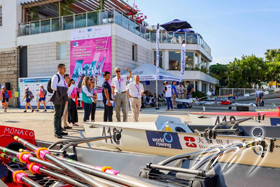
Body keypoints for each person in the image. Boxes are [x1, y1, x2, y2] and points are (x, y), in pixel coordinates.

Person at [50, 64, 68, 139]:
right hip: (58, 97)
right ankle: (56, 132)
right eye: (63, 68)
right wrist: (62, 90)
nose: (65, 69)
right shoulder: (56, 76)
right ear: (59, 69)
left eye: (65, 68)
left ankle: (60, 130)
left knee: (60, 115)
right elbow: (53, 87)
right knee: (57, 115)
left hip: (62, 97)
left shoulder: (62, 77)